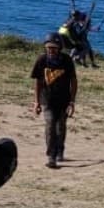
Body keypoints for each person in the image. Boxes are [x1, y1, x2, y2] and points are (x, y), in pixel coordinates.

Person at [31, 32, 78, 168]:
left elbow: (73, 81)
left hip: (63, 100)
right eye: (48, 47)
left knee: (60, 127)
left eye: (54, 48)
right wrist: (36, 102)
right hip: (47, 100)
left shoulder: (67, 61)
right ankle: (51, 156)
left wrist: (72, 102)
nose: (51, 50)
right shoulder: (41, 60)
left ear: (59, 48)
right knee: (50, 125)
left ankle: (60, 150)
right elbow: (38, 82)